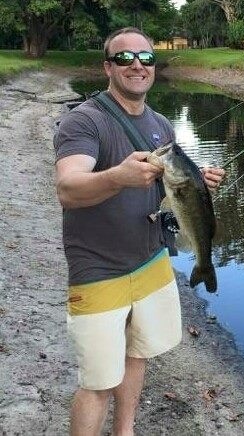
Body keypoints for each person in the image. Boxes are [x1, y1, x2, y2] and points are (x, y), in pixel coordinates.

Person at [54, 27, 225, 436]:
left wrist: (196, 180)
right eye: (125, 58)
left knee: (137, 354)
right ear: (107, 67)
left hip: (151, 261)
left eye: (146, 59)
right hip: (98, 270)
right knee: (97, 382)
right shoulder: (83, 121)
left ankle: (125, 431)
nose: (137, 66)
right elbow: (68, 188)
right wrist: (116, 176)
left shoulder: (162, 124)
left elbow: (164, 183)